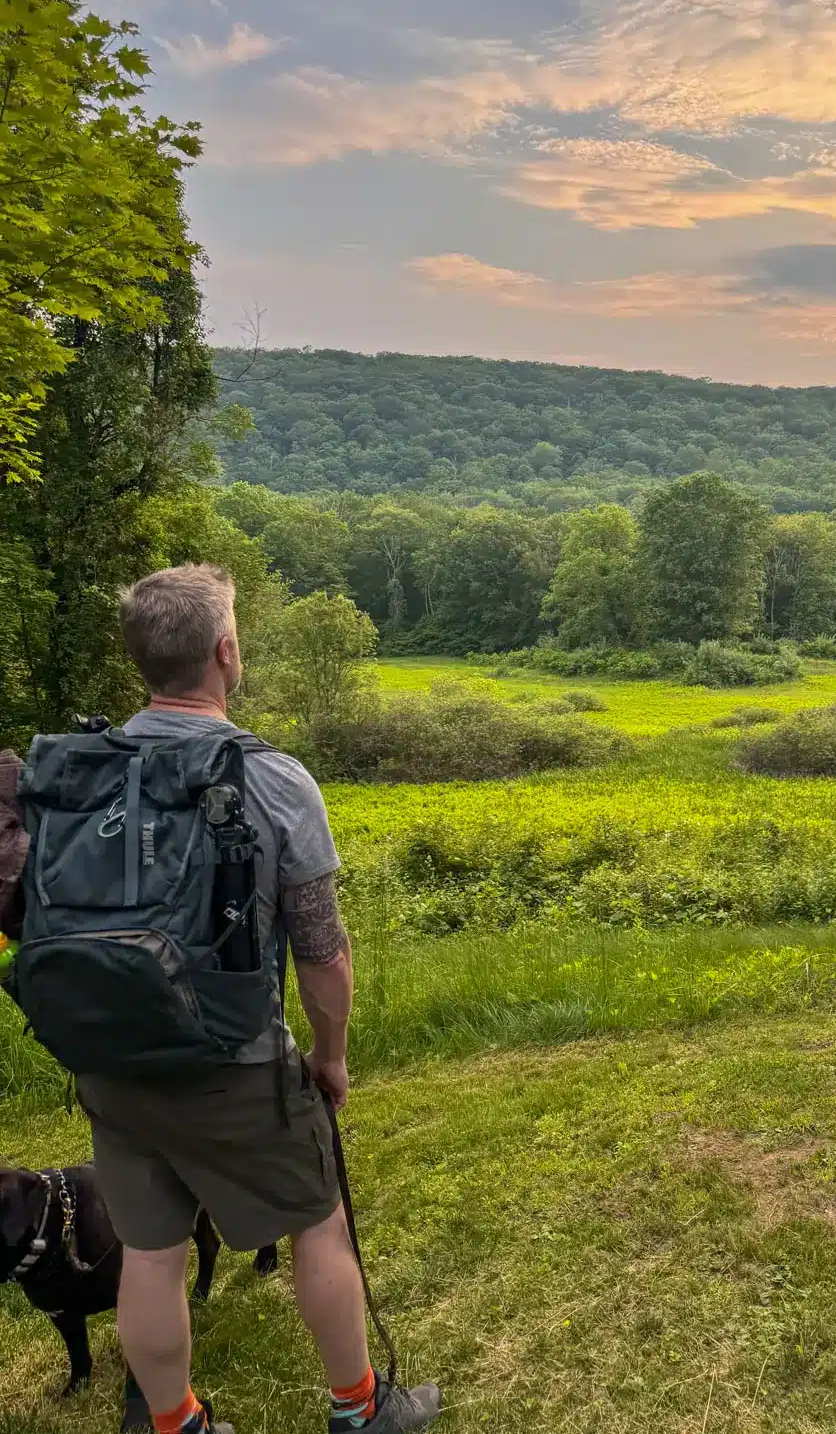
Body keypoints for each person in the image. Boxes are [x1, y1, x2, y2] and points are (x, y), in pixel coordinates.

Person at [72, 564, 441, 1434]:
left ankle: (175, 1423)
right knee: (319, 1224)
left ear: (142, 660)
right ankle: (360, 1411)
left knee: (151, 1253)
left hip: (112, 1062)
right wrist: (332, 1055)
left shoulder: (81, 770)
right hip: (234, 1061)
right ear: (226, 653)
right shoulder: (273, 781)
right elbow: (323, 955)